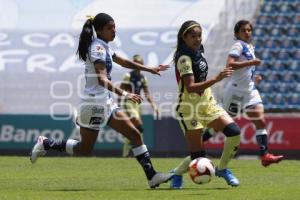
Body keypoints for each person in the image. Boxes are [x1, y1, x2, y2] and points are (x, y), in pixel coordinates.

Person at [30, 13, 173, 189]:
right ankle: (46, 143)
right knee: (84, 149)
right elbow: (102, 80)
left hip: (105, 102)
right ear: (99, 30)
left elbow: (123, 61)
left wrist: (148, 69)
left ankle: (152, 177)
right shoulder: (97, 49)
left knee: (135, 135)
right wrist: (126, 94)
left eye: (115, 26)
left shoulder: (104, 46)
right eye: (110, 28)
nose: (114, 30)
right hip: (93, 105)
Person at [169, 20, 241, 189]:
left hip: (208, 104)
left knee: (234, 132)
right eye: (193, 36)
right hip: (190, 109)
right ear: (184, 37)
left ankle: (222, 169)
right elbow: (191, 87)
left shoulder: (199, 51)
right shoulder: (184, 59)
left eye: (199, 35)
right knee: (198, 156)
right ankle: (177, 173)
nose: (197, 39)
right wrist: (217, 78)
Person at [201, 20, 284, 167]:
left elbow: (244, 72)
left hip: (250, 91)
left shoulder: (250, 47)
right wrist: (251, 63)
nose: (247, 32)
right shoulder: (238, 46)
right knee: (220, 126)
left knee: (261, 121)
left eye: (249, 30)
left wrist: (254, 78)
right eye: (243, 30)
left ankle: (265, 155)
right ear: (237, 34)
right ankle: (198, 143)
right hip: (235, 93)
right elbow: (230, 64)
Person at [119, 54, 159, 157]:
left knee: (135, 129)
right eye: (135, 63)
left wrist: (154, 106)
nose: (137, 66)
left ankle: (126, 154)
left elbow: (146, 93)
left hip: (137, 105)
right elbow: (120, 90)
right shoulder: (128, 76)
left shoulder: (143, 78)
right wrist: (118, 105)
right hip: (128, 103)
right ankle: (141, 152)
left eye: (139, 64)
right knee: (139, 125)